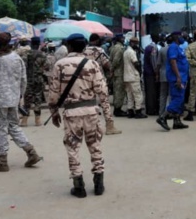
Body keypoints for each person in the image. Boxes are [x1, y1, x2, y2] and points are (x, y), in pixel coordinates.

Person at [48, 33, 116, 198]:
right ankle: (99, 183)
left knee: (72, 148)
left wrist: (54, 112)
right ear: (84, 47)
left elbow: (53, 93)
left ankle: (79, 185)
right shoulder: (92, 64)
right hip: (91, 110)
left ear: (69, 46)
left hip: (71, 113)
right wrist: (108, 119)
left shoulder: (59, 65)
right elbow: (103, 92)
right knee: (95, 146)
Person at [0, 31, 42, 172]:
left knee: (0, 129)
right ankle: (31, 152)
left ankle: (2, 162)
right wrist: (20, 96)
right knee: (13, 126)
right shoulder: (16, 58)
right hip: (13, 99)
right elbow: (23, 80)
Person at [156, 31, 190, 130]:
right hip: (176, 78)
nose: (183, 37)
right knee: (177, 99)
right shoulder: (173, 47)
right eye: (181, 36)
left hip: (182, 77)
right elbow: (172, 61)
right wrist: (178, 77)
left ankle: (177, 121)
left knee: (180, 98)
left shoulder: (178, 47)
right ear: (176, 37)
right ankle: (163, 117)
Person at [19, 37, 48, 127]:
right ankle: (37, 120)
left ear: (31, 44)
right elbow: (46, 66)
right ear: (39, 44)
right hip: (39, 79)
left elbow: (22, 67)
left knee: (27, 99)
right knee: (38, 99)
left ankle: (24, 121)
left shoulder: (26, 54)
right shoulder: (43, 54)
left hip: (28, 79)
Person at [123, 37, 146, 118]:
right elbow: (136, 63)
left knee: (130, 95)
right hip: (133, 76)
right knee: (137, 94)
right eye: (136, 44)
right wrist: (140, 71)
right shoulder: (132, 52)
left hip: (127, 76)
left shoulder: (126, 51)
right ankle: (138, 111)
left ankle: (130, 111)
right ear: (132, 43)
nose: (136, 45)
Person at [109, 34, 127, 117]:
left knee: (117, 91)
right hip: (119, 72)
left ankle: (118, 109)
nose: (124, 39)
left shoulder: (114, 47)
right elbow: (116, 60)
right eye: (123, 38)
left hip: (117, 72)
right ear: (120, 39)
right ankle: (117, 110)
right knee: (119, 91)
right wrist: (112, 69)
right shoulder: (119, 48)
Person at [143, 33, 160, 115]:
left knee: (148, 91)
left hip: (147, 72)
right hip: (151, 73)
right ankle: (151, 109)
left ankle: (149, 108)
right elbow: (154, 62)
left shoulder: (147, 47)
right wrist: (156, 73)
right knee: (152, 92)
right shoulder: (153, 48)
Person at [157, 35, 172, 116]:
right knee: (170, 94)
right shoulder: (175, 49)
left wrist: (157, 74)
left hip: (163, 74)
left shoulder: (162, 50)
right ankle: (168, 113)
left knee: (162, 95)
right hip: (172, 74)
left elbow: (158, 63)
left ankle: (161, 112)